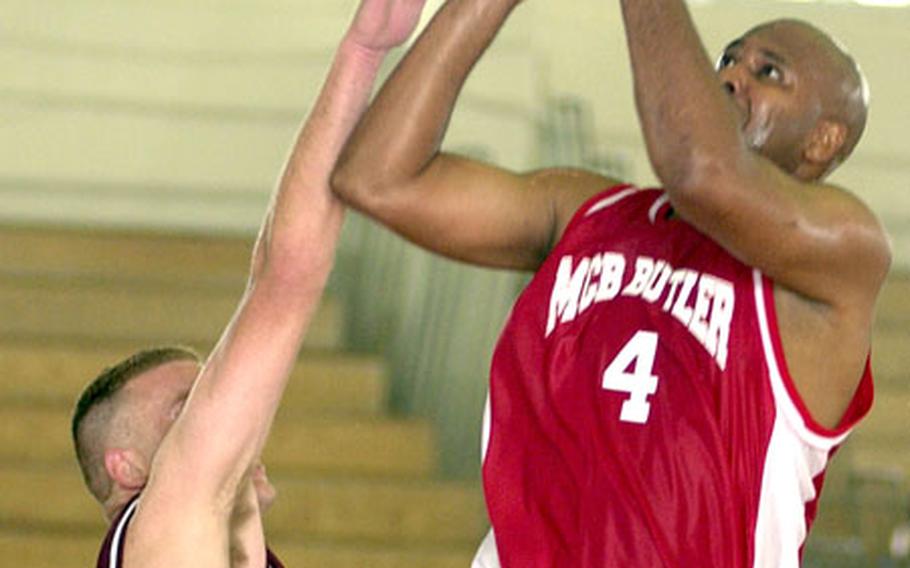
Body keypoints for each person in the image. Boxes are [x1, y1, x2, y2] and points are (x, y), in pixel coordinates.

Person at [331, 0, 891, 566]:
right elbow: (378, 178)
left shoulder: (845, 252)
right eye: (728, 59)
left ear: (822, 141)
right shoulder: (588, 212)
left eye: (768, 73)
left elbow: (701, 170)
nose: (729, 76)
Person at [69, 0, 427, 565]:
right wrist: (364, 50)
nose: (228, 405)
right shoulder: (162, 523)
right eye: (185, 408)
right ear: (128, 467)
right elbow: (282, 279)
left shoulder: (214, 542)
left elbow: (270, 267)